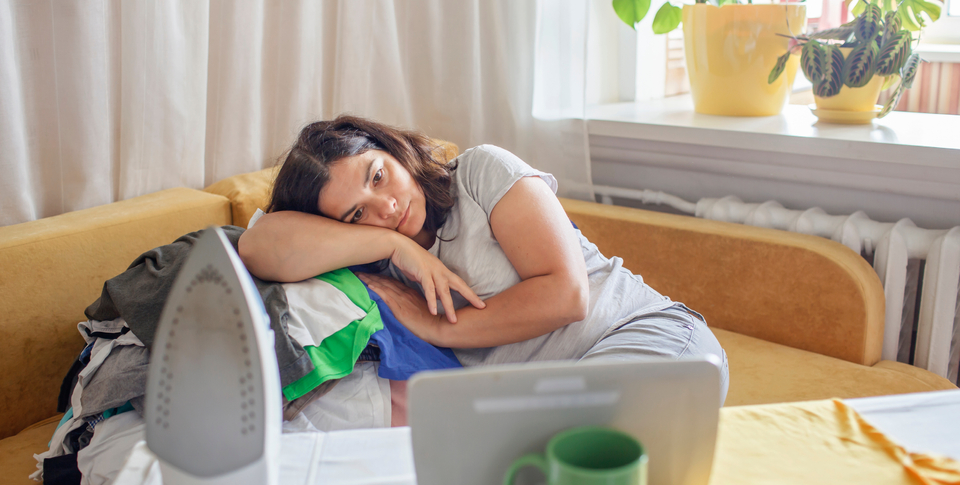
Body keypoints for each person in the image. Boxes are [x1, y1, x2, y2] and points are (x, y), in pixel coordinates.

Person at [239, 115, 729, 406]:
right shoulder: (378, 257)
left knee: (570, 451)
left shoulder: (479, 172)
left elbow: (567, 294)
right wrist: (395, 247)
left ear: (391, 149)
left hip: (644, 334)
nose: (385, 207)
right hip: (552, 393)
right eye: (356, 214)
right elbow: (258, 247)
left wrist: (440, 328)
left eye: (378, 176)